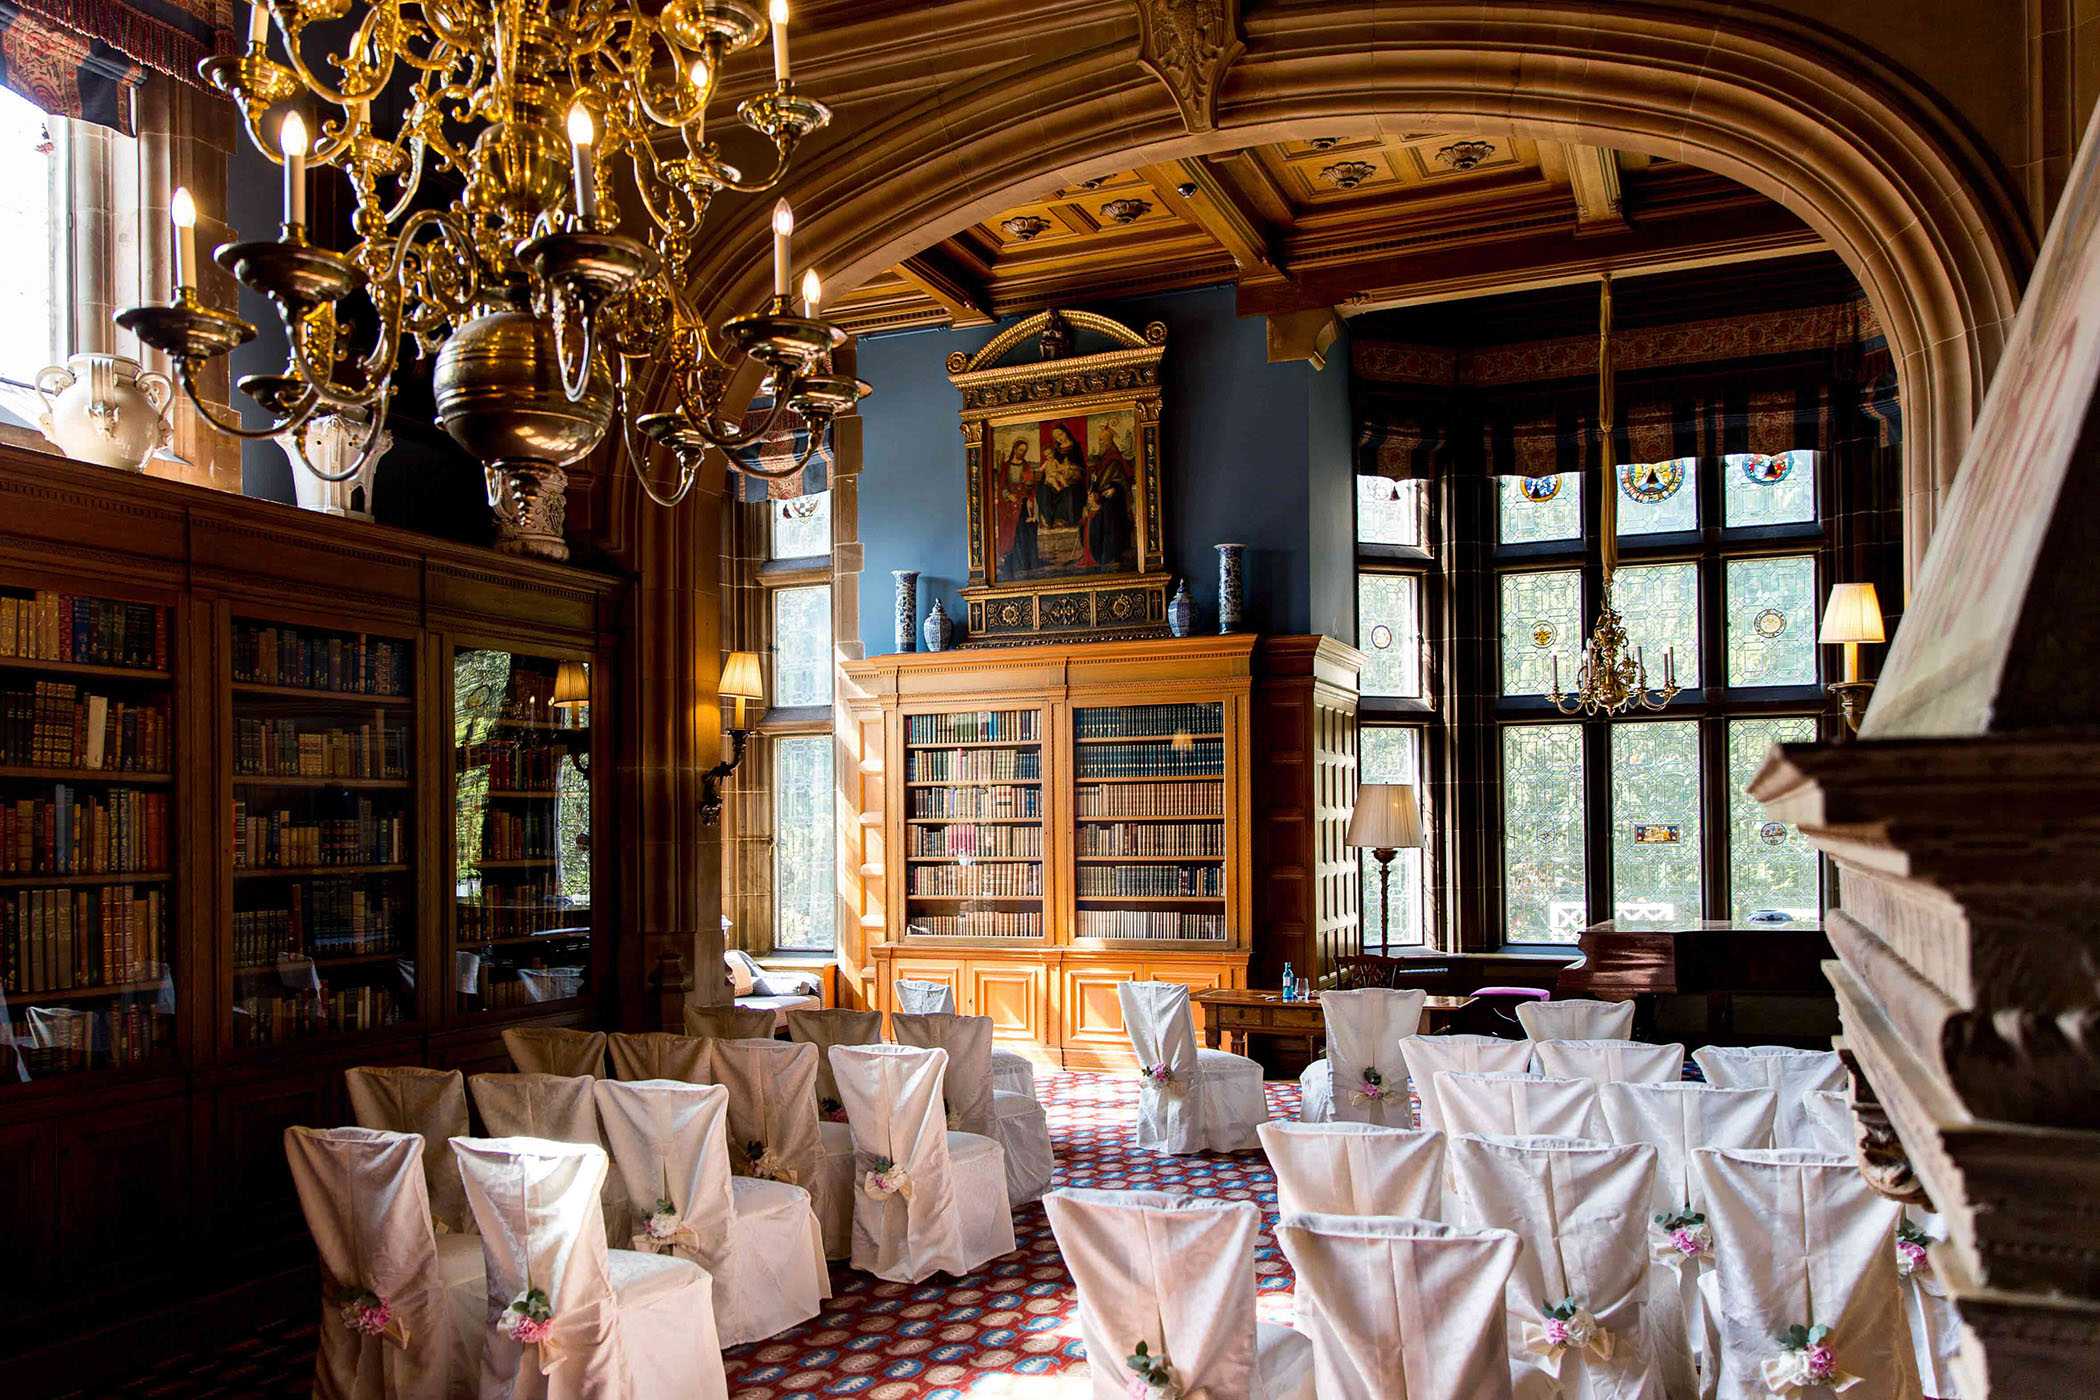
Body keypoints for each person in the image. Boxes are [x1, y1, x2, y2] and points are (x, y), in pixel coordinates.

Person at [1083, 428, 1135, 569]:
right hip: (1100, 499)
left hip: (1114, 503)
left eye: (1102, 440)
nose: (1100, 443)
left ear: (1108, 442)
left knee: (1106, 516)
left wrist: (1114, 489)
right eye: (1099, 439)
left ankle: (1107, 554)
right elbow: (1095, 482)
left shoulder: (1115, 460)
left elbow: (1123, 484)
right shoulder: (1101, 459)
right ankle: (1095, 554)